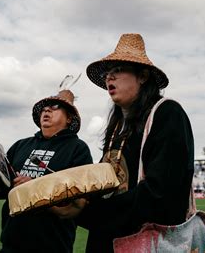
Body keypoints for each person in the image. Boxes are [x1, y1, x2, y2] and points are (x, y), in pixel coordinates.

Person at [78, 33, 195, 252]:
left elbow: (161, 195)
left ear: (142, 76)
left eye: (118, 70)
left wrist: (87, 213)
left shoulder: (167, 114)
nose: (109, 78)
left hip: (144, 243)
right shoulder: (116, 125)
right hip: (105, 240)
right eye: (107, 73)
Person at [0, 89, 93, 252]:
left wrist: (35, 188)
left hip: (53, 246)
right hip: (11, 244)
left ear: (69, 118)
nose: (47, 110)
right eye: (44, 107)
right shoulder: (21, 145)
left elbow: (77, 203)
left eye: (55, 106)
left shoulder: (78, 149)